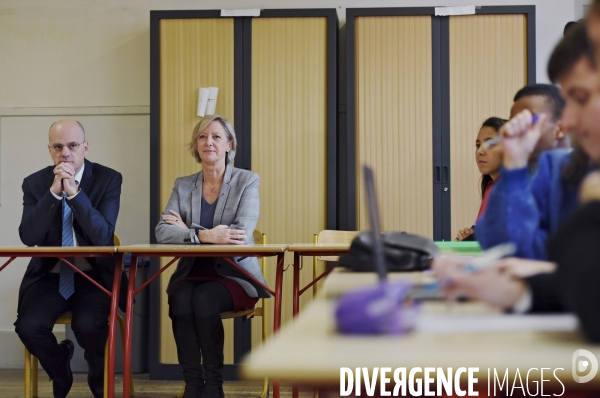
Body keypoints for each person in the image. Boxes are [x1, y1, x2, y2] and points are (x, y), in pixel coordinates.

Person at [155, 115, 269, 398]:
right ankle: (193, 384)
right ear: (196, 144)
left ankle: (214, 385)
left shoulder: (246, 181)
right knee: (180, 296)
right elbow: (161, 232)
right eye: (202, 137)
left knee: (204, 297)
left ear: (229, 144)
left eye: (217, 137)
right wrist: (205, 235)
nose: (209, 142)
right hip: (192, 271)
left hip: (234, 274)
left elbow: (239, 233)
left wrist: (187, 231)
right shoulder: (183, 185)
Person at [14, 119, 125, 398]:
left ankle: (99, 381)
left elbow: (102, 236)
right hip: (50, 275)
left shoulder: (108, 179)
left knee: (89, 326)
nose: (66, 153)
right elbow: (29, 236)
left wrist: (74, 194)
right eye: (59, 146)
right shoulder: (35, 183)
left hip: (94, 276)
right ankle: (59, 366)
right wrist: (53, 193)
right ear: (50, 150)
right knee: (28, 326)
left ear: (85, 147)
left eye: (73, 145)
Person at [475, 22, 597, 260]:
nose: (568, 120)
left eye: (581, 98)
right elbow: (511, 251)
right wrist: (514, 167)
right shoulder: (556, 169)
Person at [456, 117, 506, 241]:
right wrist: (473, 231)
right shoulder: (491, 186)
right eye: (478, 145)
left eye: (490, 144)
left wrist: (472, 238)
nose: (480, 151)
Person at [509, 83, 568, 165]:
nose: (517, 129)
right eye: (514, 122)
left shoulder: (586, 174)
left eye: (528, 120)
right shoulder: (519, 169)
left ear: (561, 129)